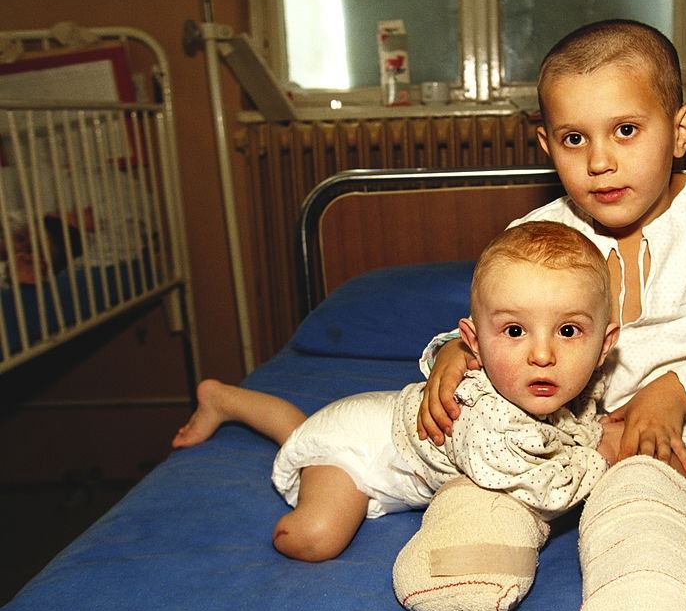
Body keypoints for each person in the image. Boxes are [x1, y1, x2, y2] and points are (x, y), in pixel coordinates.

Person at [420, 18, 686, 498]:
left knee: (648, 491)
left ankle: (641, 557)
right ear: (547, 145)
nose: (599, 162)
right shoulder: (538, 233)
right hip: (560, 424)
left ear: (682, 130)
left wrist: (676, 392)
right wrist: (457, 352)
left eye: (625, 130)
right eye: (574, 139)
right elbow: (501, 324)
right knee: (483, 481)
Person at [172, 220, 621, 562]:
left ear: (604, 345)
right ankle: (228, 405)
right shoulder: (485, 417)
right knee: (315, 537)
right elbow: (541, 492)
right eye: (515, 330)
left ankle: (222, 398)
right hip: (362, 449)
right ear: (474, 342)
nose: (541, 354)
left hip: (382, 414)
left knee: (302, 429)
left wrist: (595, 429)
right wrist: (603, 455)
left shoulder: (567, 386)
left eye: (567, 330)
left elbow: (576, 426)